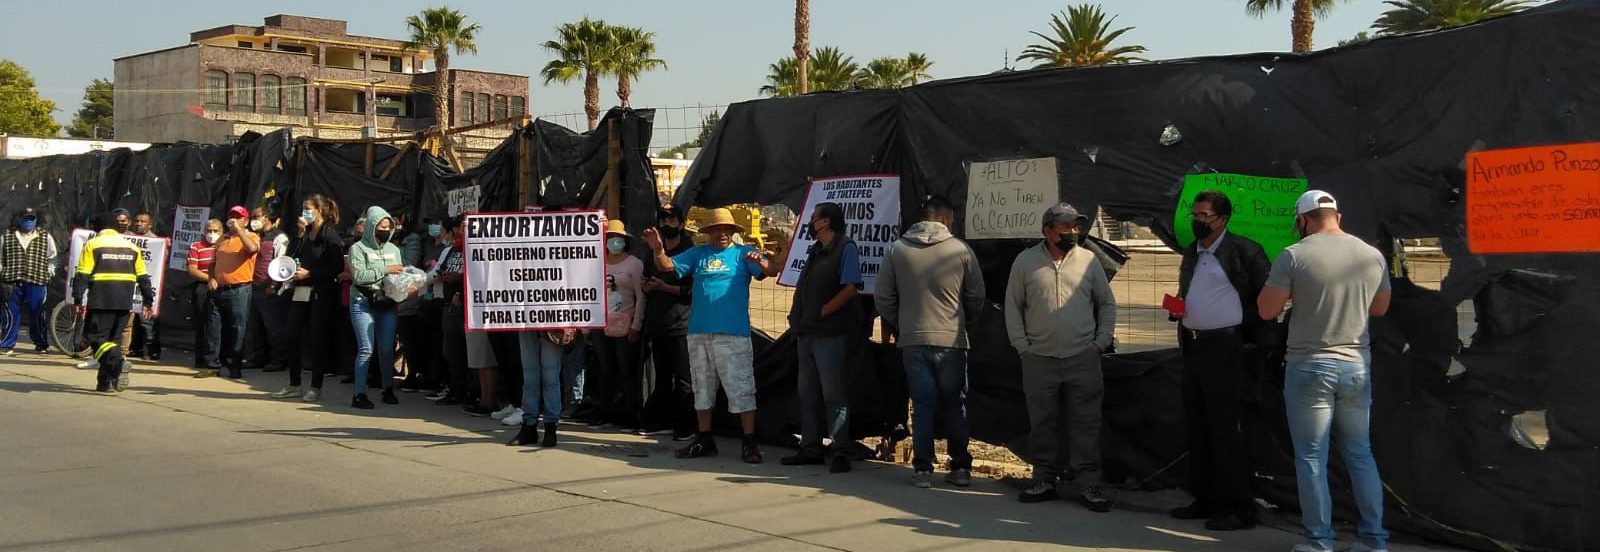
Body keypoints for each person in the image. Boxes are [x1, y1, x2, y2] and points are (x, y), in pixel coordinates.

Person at [1257, 190, 1392, 552]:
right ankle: (1374, 540)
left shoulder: (1294, 255)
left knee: (1312, 456)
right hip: (1356, 365)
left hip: (1309, 366)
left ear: (1302, 220)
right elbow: (1379, 309)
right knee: (1360, 454)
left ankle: (1319, 542)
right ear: (1338, 215)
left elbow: (1266, 311)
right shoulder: (1371, 255)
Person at [1166, 190, 1273, 531]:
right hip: (1194, 347)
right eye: (1194, 215)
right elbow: (1191, 293)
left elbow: (1266, 303)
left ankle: (1239, 508)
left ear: (1222, 219)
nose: (1197, 221)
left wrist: (1253, 348)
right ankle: (1206, 498)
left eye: (1204, 216)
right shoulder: (1193, 253)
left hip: (1226, 348)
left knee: (1226, 429)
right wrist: (1180, 309)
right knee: (1197, 425)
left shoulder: (1245, 251)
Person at [643, 207, 780, 463]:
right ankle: (704, 438)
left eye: (726, 230)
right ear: (708, 233)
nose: (722, 234)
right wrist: (657, 248)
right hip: (699, 332)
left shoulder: (742, 254)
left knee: (741, 387)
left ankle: (749, 442)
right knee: (702, 387)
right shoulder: (698, 254)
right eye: (716, 230)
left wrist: (762, 261)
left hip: (733, 333)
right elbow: (666, 266)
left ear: (732, 232)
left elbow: (771, 270)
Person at [1004, 203, 1116, 512]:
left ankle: (1089, 484)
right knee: (1042, 421)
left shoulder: (1089, 260)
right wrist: (1022, 346)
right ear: (1048, 231)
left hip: (1083, 357)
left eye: (1076, 226)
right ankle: (1043, 479)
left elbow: (1106, 304)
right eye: (1066, 227)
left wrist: (1100, 342)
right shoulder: (1025, 262)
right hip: (1038, 358)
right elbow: (1013, 306)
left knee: (1087, 422)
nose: (1073, 232)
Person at [875, 197, 986, 489]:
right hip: (951, 339)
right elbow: (976, 296)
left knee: (922, 405)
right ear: (947, 219)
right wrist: (962, 320)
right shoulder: (960, 250)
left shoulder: (897, 250)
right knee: (955, 404)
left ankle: (923, 470)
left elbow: (882, 296)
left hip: (912, 340)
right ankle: (960, 467)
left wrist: (902, 323)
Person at [780, 202, 863, 473]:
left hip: (829, 334)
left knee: (833, 395)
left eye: (813, 218)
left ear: (825, 222)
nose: (810, 222)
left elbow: (851, 287)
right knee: (808, 394)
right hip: (807, 333)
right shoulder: (816, 250)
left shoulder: (845, 248)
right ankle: (811, 448)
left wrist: (824, 311)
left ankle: (840, 451)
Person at [269, 195, 344, 402]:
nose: (304, 213)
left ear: (319, 211)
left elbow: (336, 267)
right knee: (291, 335)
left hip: (321, 292)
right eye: (303, 209)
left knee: (317, 338)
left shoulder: (331, 236)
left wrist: (310, 273)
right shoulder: (304, 235)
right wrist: (300, 235)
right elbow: (290, 256)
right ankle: (294, 383)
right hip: (301, 291)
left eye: (308, 209)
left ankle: (315, 386)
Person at [72, 212, 155, 393]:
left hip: (101, 300)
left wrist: (78, 298)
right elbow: (144, 277)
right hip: (124, 302)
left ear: (98, 228)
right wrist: (148, 301)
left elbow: (83, 275)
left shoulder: (93, 244)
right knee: (113, 341)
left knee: (96, 338)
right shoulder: (131, 246)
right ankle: (105, 383)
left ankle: (117, 364)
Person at [639, 206, 696, 439]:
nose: (666, 223)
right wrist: (647, 286)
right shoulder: (652, 250)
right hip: (657, 322)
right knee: (662, 376)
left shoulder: (689, 251)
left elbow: (692, 291)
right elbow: (646, 278)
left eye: (672, 219)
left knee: (684, 379)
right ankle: (661, 420)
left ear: (681, 224)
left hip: (681, 323)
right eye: (663, 219)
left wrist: (665, 288)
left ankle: (686, 426)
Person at [346, 206, 407, 409]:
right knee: (366, 349)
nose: (386, 229)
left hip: (387, 303)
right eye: (382, 226)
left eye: (389, 226)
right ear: (372, 226)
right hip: (363, 302)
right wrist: (385, 269)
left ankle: (387, 389)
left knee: (387, 349)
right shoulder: (357, 249)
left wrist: (408, 284)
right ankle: (359, 394)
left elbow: (398, 277)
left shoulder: (394, 250)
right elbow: (359, 276)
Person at [590, 219, 646, 430]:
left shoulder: (634, 264)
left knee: (626, 370)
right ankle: (604, 412)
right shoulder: (596, 262)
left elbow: (641, 296)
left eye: (618, 238)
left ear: (624, 240)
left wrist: (636, 325)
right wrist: (587, 326)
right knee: (605, 369)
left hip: (625, 323)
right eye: (610, 238)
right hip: (600, 323)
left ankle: (630, 414)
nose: (614, 241)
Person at [196, 206, 259, 379]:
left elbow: (253, 249)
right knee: (213, 328)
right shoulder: (222, 240)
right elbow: (212, 264)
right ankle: (211, 365)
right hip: (218, 290)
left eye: (238, 217)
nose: (233, 220)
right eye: (231, 216)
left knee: (237, 329)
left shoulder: (251, 236)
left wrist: (240, 231)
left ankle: (234, 366)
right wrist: (211, 278)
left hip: (239, 290)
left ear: (245, 221)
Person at [424, 216, 469, 406]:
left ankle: (470, 392)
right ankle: (455, 390)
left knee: (467, 355)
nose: (461, 232)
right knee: (450, 353)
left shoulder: (473, 249)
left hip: (465, 310)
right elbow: (438, 272)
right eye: (460, 228)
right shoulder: (451, 251)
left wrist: (458, 280)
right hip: (448, 308)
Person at [1, 208, 58, 356]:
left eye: (31, 218)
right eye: (26, 218)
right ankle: (6, 344)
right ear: (19, 219)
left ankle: (41, 344)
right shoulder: (7, 236)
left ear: (36, 220)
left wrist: (50, 271)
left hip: (37, 280)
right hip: (12, 281)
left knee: (38, 313)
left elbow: (52, 257)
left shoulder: (45, 236)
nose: (29, 222)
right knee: (11, 313)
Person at [244, 205, 289, 372]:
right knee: (255, 326)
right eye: (253, 217)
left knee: (273, 326)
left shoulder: (279, 237)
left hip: (269, 288)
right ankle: (258, 357)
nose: (254, 221)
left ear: (267, 218)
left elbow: (282, 262)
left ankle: (279, 359)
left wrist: (273, 285)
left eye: (257, 217)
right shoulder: (254, 237)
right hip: (253, 286)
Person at [507, 328, 569, 448]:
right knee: (530, 377)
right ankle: (529, 427)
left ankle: (550, 428)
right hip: (527, 323)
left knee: (550, 377)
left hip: (553, 321)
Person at [185, 219, 222, 370]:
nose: (211, 234)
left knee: (219, 325)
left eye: (215, 231)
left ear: (222, 231)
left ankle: (219, 358)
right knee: (202, 324)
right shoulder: (196, 246)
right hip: (203, 286)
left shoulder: (225, 246)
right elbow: (193, 270)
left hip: (224, 286)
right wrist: (211, 279)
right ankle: (201, 359)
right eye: (209, 230)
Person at [126, 211, 161, 360]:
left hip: (148, 282)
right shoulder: (129, 239)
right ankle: (136, 348)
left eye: (143, 221)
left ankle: (153, 349)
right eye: (137, 221)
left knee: (147, 319)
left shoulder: (156, 242)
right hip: (130, 282)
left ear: (150, 224)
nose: (139, 224)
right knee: (132, 317)